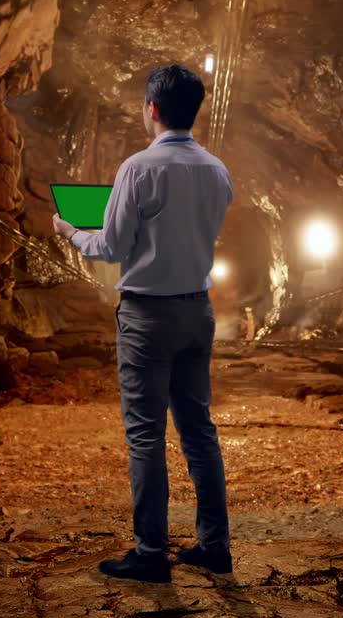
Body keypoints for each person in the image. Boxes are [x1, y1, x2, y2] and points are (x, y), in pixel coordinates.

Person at [52, 64, 234, 583]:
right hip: (197, 310)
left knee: (146, 436)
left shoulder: (138, 169)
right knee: (199, 432)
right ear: (192, 111)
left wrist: (71, 231)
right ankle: (214, 547)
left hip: (148, 315)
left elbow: (111, 245)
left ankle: (152, 553)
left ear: (151, 109)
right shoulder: (218, 171)